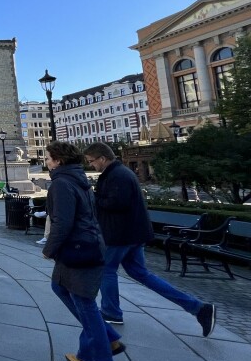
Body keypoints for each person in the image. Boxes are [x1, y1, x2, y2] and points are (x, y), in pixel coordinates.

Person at [84, 142, 215, 336]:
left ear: (102, 158)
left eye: (92, 161)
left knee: (106, 270)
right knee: (141, 274)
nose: (91, 165)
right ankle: (198, 308)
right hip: (133, 234)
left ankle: (111, 312)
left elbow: (115, 203)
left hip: (121, 235)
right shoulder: (120, 173)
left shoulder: (117, 175)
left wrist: (93, 198)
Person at [42, 141, 122, 361]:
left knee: (83, 301)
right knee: (60, 287)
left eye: (47, 158)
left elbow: (63, 222)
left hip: (78, 248)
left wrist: (49, 248)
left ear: (58, 160)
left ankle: (98, 356)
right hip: (85, 244)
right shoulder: (77, 178)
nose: (46, 162)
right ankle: (109, 337)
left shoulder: (62, 183)